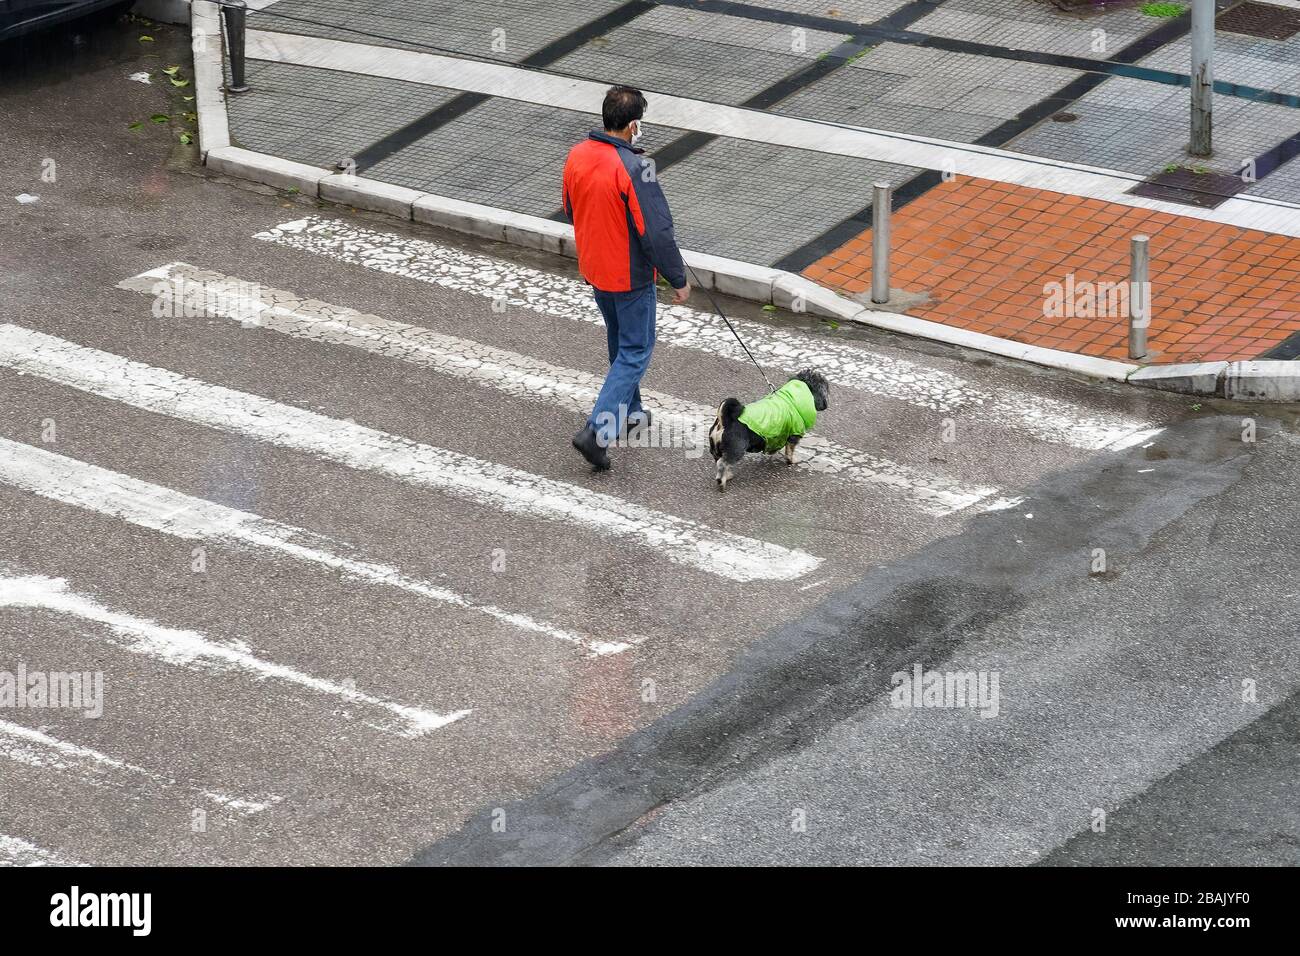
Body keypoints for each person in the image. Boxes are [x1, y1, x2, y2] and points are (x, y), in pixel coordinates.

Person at [562, 85, 690, 471]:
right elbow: (656, 232)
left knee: (620, 342)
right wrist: (677, 277)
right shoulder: (635, 168)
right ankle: (597, 432)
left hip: (596, 269)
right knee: (635, 351)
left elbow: (570, 209)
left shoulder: (577, 155)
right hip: (630, 276)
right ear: (633, 125)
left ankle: (630, 414)